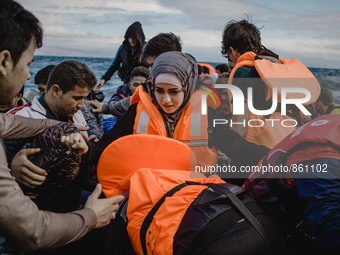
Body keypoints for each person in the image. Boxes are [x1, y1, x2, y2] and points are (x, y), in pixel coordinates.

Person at [0, 0, 123, 252]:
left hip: (67, 199)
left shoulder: (76, 118)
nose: (27, 77)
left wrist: (73, 137)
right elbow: (32, 232)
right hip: (36, 214)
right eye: (29, 63)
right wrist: (13, 168)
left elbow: (10, 123)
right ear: (4, 62)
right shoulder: (24, 113)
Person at [72, 52, 268, 173]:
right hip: (149, 192)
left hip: (193, 191)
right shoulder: (137, 111)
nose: (166, 99)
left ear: (187, 87)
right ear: (152, 86)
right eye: (159, 91)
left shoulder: (205, 114)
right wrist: (86, 149)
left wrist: (279, 157)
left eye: (174, 92)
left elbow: (235, 145)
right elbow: (109, 146)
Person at [244, 114, 340, 254]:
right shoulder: (324, 155)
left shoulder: (330, 125)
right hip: (265, 223)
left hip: (267, 207)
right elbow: (327, 221)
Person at [221, 19, 319, 149]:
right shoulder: (276, 68)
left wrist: (232, 146)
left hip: (259, 146)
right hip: (289, 142)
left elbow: (240, 123)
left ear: (231, 50)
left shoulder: (243, 72)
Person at [95, 21, 146, 90]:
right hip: (127, 82)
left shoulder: (146, 48)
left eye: (134, 37)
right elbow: (115, 65)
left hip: (143, 84)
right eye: (129, 37)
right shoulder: (123, 49)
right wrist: (104, 79)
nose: (131, 40)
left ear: (139, 37)